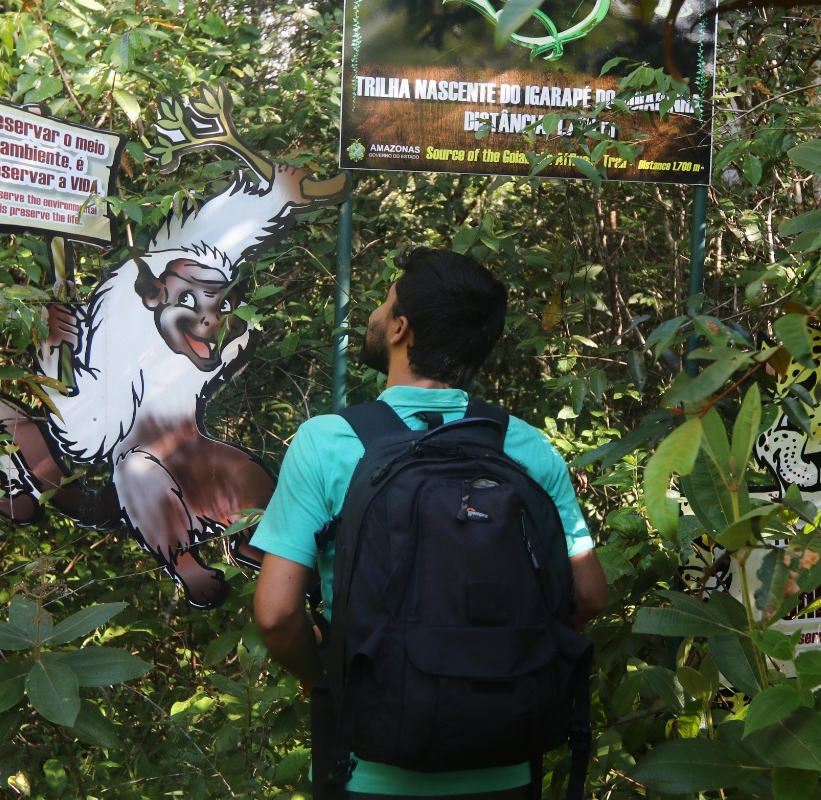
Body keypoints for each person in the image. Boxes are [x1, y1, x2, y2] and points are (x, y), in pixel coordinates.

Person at [251, 246, 608, 799]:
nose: (375, 311)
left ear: (400, 328)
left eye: (384, 300)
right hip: (509, 760)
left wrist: (324, 676)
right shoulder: (525, 446)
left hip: (369, 765)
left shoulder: (329, 442)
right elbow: (587, 594)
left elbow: (276, 616)